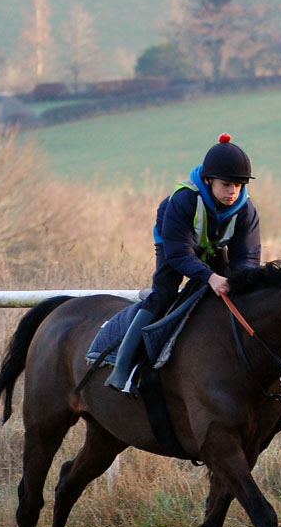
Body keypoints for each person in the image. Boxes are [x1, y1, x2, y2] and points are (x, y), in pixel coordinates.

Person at [105, 132, 261, 392]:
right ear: (209, 180)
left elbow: (248, 258)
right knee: (164, 294)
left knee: (236, 292)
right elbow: (179, 254)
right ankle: (123, 369)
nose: (233, 192)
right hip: (174, 245)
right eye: (226, 185)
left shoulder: (246, 210)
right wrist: (210, 277)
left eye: (239, 185)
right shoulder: (184, 199)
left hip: (213, 248)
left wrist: (238, 281)